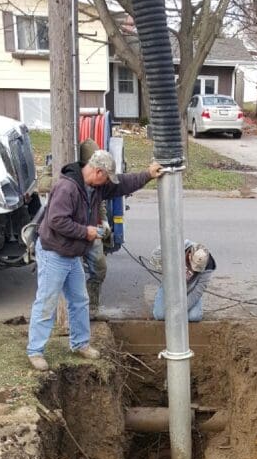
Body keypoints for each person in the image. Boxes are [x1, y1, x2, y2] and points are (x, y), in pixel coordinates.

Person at [28, 149, 163, 370]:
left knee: (80, 300)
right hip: (54, 253)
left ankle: (80, 344)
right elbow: (56, 221)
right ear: (97, 171)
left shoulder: (95, 186)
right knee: (46, 302)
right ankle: (35, 351)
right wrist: (86, 232)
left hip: (71, 255)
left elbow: (123, 185)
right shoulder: (67, 188)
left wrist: (148, 174)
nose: (107, 183)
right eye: (106, 177)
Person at [79, 138, 110, 319]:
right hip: (72, 231)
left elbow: (100, 202)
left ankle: (92, 306)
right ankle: (72, 311)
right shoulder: (71, 176)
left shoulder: (97, 182)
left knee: (99, 267)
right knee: (71, 274)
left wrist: (104, 221)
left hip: (92, 227)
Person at [152, 240, 216, 322]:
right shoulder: (179, 247)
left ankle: (194, 304)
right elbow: (155, 256)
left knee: (194, 317)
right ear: (189, 255)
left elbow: (198, 290)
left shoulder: (208, 264)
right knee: (160, 315)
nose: (193, 270)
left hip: (190, 291)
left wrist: (179, 309)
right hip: (169, 288)